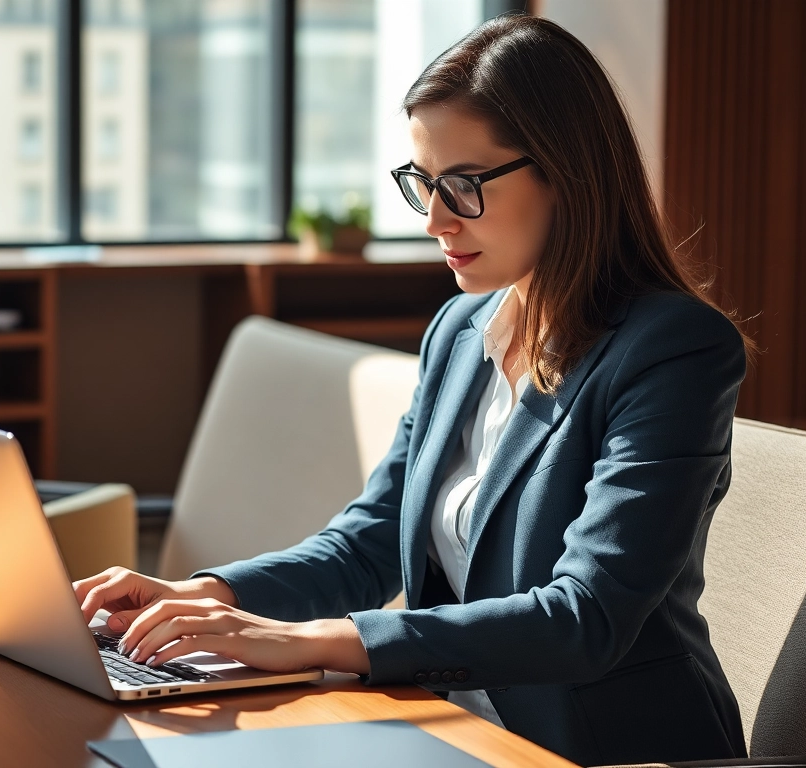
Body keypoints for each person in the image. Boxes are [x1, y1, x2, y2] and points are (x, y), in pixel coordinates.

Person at [73, 13, 752, 766]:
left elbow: (583, 617)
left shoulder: (673, 350)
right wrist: (207, 597)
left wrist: (311, 641)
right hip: (447, 728)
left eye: (463, 186)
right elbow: (368, 545)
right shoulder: (461, 331)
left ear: (568, 172)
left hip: (604, 748)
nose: (433, 220)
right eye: (423, 184)